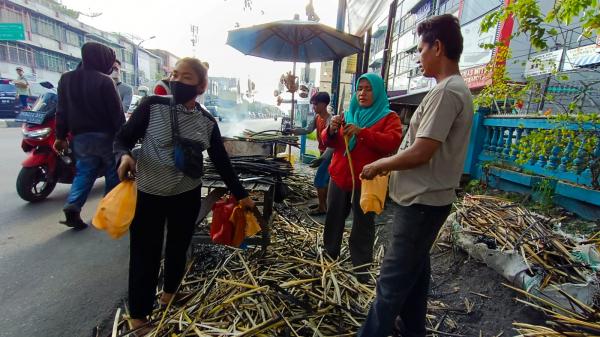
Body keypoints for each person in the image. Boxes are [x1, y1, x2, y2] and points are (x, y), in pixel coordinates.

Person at [113, 57, 255, 334]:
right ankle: (139, 315)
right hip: (149, 193)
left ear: (201, 86)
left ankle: (170, 294)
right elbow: (122, 139)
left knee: (179, 246)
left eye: (186, 77)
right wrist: (124, 157)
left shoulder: (207, 122)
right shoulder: (151, 106)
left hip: (185, 194)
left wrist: (242, 195)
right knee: (145, 254)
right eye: (174, 74)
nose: (177, 81)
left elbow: (221, 162)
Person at [358, 14, 474, 337]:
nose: (419, 57)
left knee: (391, 282)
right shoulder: (449, 90)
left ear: (437, 47)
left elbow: (422, 151)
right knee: (415, 274)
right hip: (426, 200)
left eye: (421, 49)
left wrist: (382, 165)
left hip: (422, 203)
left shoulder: (448, 92)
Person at [321, 73, 402, 282]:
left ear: (378, 91)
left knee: (363, 225)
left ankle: (361, 268)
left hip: (367, 182)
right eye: (360, 88)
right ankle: (329, 259)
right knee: (333, 218)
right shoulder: (349, 113)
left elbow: (391, 142)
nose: (362, 93)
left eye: (368, 89)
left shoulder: (388, 117)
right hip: (340, 176)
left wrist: (362, 132)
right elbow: (332, 143)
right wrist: (330, 129)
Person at [54, 42, 124, 229]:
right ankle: (106, 212)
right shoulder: (105, 80)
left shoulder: (66, 79)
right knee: (112, 173)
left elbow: (61, 111)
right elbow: (116, 114)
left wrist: (60, 137)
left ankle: (73, 206)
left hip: (80, 138)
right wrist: (125, 140)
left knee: (84, 172)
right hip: (106, 137)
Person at [291, 92, 332, 216]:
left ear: (324, 104)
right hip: (322, 152)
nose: (313, 107)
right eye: (313, 104)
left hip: (330, 154)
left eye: (315, 104)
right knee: (325, 180)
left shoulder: (330, 120)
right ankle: (323, 204)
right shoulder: (317, 118)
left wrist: (323, 158)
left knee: (319, 180)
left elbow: (333, 144)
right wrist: (293, 131)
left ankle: (322, 207)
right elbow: (307, 129)